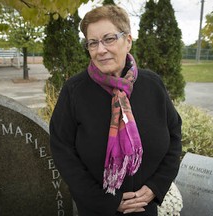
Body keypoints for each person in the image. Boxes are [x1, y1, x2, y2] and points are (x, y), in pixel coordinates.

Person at [49, 4, 182, 216]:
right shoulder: (74, 91)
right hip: (97, 209)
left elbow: (174, 136)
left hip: (145, 208)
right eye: (93, 43)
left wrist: (156, 187)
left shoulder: (153, 84)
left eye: (109, 39)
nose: (100, 49)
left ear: (128, 41)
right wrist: (103, 201)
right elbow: (62, 150)